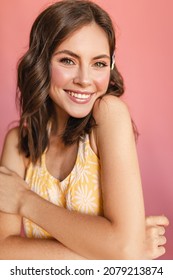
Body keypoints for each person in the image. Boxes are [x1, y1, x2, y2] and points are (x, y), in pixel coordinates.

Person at [0, 0, 169, 260]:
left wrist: (24, 200)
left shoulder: (109, 115)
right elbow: (3, 253)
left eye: (99, 63)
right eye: (68, 60)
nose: (85, 79)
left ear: (111, 65)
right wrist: (114, 249)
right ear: (41, 61)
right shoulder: (19, 143)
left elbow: (123, 248)